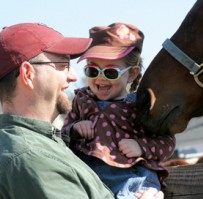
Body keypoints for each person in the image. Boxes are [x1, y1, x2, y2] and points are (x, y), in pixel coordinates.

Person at [0, 22, 163, 199]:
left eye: (111, 72)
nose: (74, 76)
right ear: (28, 74)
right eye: (62, 65)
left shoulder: (44, 146)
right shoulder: (33, 158)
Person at [61, 23, 176, 198]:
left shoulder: (140, 105)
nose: (100, 77)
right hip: (88, 178)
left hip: (131, 179)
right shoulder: (81, 100)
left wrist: (141, 146)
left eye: (111, 72)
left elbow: (167, 141)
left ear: (132, 74)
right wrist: (75, 129)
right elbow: (62, 136)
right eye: (92, 70)